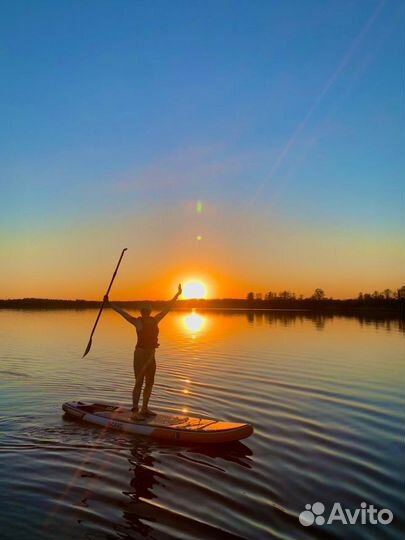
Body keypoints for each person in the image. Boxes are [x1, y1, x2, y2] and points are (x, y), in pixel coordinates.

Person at [104, 284, 182, 419]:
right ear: (142, 311)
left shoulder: (155, 320)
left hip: (151, 355)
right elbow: (123, 313)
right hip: (140, 354)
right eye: (144, 310)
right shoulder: (138, 322)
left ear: (149, 311)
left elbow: (167, 309)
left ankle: (145, 409)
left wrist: (177, 295)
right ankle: (135, 411)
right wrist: (109, 304)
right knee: (139, 382)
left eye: (147, 310)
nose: (145, 312)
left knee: (150, 382)